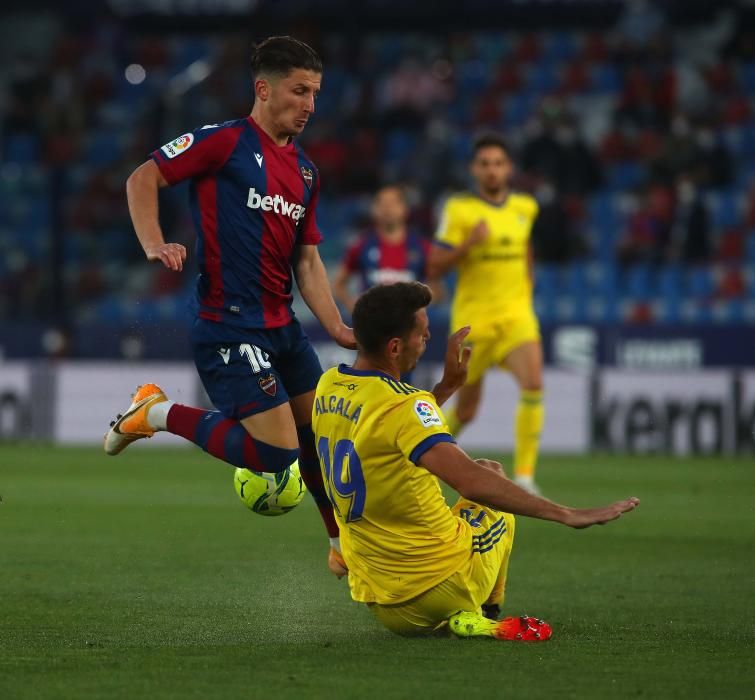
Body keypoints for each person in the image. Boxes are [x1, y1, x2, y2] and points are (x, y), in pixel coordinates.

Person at [104, 36, 355, 576]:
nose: (310, 104)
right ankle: (153, 413)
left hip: (282, 327)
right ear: (263, 89)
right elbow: (142, 177)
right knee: (277, 455)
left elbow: (307, 262)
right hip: (226, 325)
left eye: (315, 93)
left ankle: (340, 544)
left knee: (321, 435)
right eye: (300, 91)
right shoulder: (223, 142)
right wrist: (153, 242)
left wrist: (336, 325)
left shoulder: (307, 173)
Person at [311, 281, 639, 640]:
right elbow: (470, 482)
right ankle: (483, 611)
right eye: (422, 334)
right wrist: (565, 513)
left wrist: (446, 388)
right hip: (438, 588)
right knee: (491, 474)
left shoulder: (329, 385)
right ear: (394, 347)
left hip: (382, 604)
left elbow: (382, 435)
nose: (427, 341)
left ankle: (464, 610)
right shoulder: (404, 405)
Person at [428, 133, 545, 495]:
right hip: (474, 320)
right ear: (474, 169)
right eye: (485, 164)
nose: (492, 170)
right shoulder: (459, 210)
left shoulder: (526, 206)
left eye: (498, 163)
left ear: (508, 168)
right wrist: (468, 244)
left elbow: (525, 249)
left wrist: (527, 284)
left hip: (516, 317)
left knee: (534, 383)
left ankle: (524, 476)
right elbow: (434, 263)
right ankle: (423, 457)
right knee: (465, 412)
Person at [332, 184, 432, 314]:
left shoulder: (422, 246)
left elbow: (437, 289)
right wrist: (355, 308)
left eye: (393, 203)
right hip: (373, 329)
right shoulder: (361, 245)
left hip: (409, 329)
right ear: (374, 209)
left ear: (405, 209)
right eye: (382, 203)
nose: (387, 208)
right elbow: (338, 285)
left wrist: (420, 308)